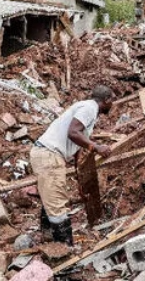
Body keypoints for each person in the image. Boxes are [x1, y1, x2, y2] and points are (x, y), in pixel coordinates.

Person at [30, 85, 115, 245]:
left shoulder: (86, 109)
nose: (113, 104)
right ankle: (64, 252)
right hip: (49, 154)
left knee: (51, 196)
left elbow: (77, 147)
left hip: (47, 154)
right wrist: (96, 147)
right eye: (113, 100)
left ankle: (48, 239)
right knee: (56, 203)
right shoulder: (90, 108)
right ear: (107, 100)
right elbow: (73, 132)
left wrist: (79, 180)